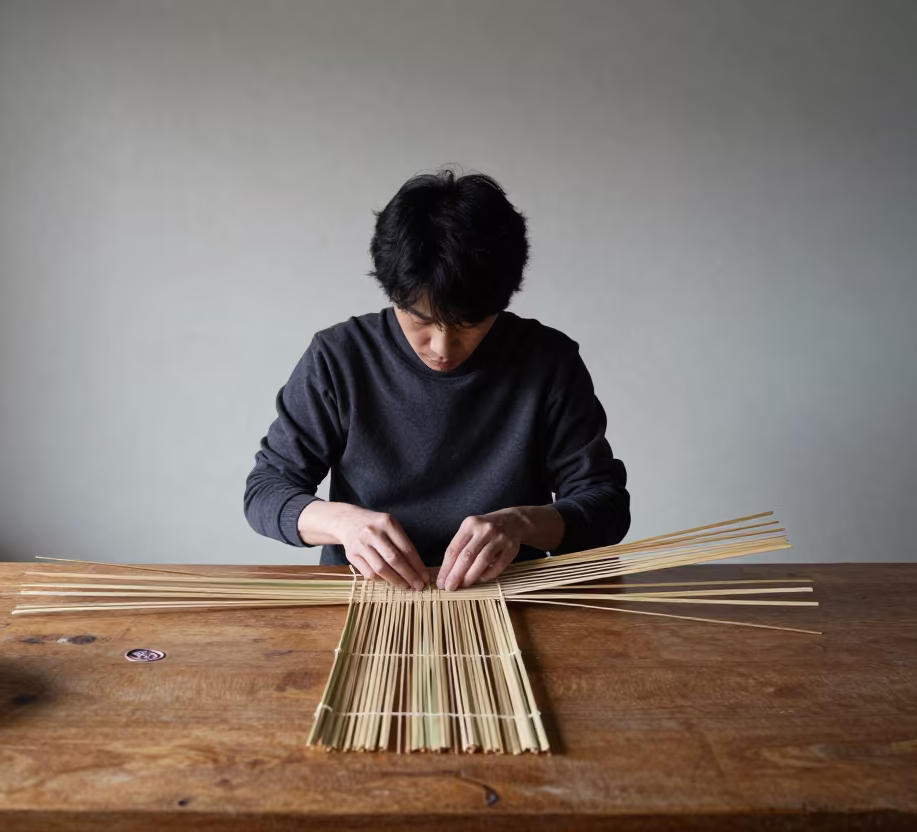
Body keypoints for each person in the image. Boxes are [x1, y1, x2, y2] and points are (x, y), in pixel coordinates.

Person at [244, 170, 629, 591]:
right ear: (393, 294)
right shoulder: (339, 357)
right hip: (364, 598)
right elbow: (265, 492)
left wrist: (521, 523)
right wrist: (341, 522)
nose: (443, 347)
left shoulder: (548, 361)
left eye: (470, 324)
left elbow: (607, 507)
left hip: (510, 598)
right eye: (421, 321)